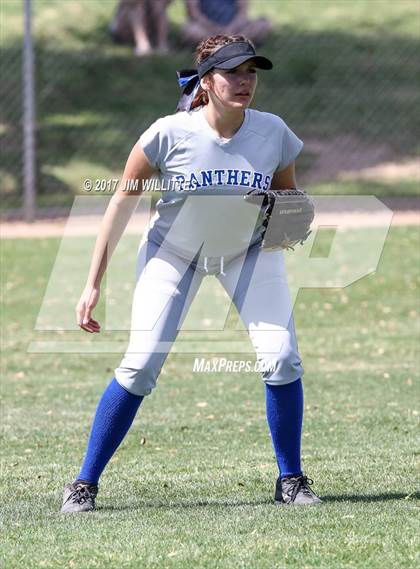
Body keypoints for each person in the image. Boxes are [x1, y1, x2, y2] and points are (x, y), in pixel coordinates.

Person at [60, 34, 322, 513]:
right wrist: (92, 282)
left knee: (282, 358)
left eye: (252, 72)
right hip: (173, 254)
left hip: (248, 254)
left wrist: (289, 223)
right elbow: (122, 201)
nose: (245, 82)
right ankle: (83, 483)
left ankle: (291, 479)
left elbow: (286, 197)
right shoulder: (167, 133)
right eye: (233, 72)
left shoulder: (273, 132)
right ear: (206, 81)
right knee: (140, 366)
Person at [182, 0, 272, 47]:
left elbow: (242, 12)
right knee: (190, 30)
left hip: (234, 29)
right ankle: (234, 43)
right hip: (207, 29)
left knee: (264, 24)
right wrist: (212, 27)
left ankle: (219, 44)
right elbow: (193, 13)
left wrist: (231, 27)